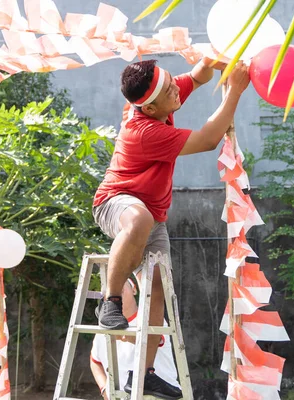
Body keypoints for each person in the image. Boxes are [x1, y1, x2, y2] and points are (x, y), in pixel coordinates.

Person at [93, 57, 250, 397]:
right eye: (168, 91)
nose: (174, 91)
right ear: (148, 107)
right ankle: (110, 302)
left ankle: (144, 372)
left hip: (153, 216)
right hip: (115, 203)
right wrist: (235, 91)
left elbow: (198, 75)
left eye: (170, 84)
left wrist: (215, 62)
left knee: (159, 287)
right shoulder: (144, 131)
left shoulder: (162, 93)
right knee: (139, 219)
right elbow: (209, 139)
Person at [90, 279, 180, 400]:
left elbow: (154, 339)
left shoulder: (151, 319)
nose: (116, 289)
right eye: (112, 289)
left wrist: (124, 336)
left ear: (134, 289)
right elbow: (95, 361)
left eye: (122, 285)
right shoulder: (102, 330)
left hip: (161, 397)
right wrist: (104, 389)